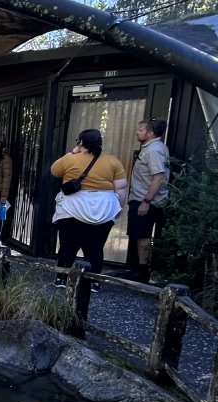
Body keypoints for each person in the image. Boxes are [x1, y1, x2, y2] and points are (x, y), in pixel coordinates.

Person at [49, 130, 127, 316]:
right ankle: (95, 281)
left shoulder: (70, 159)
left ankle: (61, 277)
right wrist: (119, 208)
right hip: (103, 207)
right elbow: (121, 187)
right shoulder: (113, 161)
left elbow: (54, 171)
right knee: (95, 247)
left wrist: (73, 151)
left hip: (73, 207)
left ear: (81, 141)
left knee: (68, 244)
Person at [124, 118, 170, 283]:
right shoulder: (152, 148)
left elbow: (158, 178)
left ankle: (142, 273)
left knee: (142, 235)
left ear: (150, 133)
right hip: (142, 197)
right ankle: (137, 270)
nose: (137, 132)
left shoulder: (154, 150)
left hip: (146, 199)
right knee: (138, 234)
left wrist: (146, 201)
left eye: (141, 130)